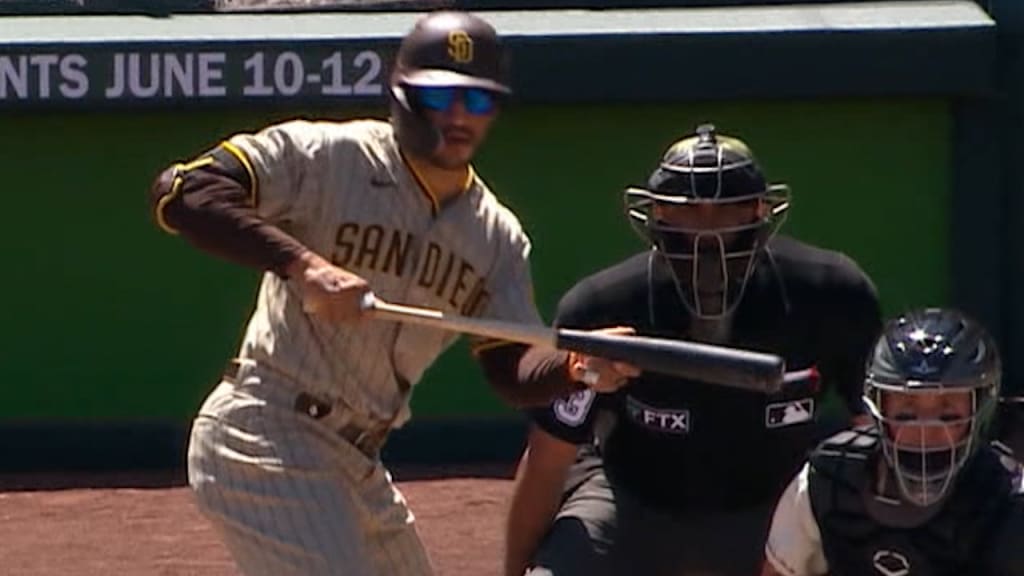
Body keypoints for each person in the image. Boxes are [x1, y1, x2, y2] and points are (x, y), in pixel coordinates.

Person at [148, 11, 604, 576]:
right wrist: (303, 265)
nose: (461, 115)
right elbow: (183, 192)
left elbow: (510, 367)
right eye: (442, 97)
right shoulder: (329, 156)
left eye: (479, 102)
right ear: (403, 94)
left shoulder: (496, 234)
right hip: (267, 428)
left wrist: (581, 366)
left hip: (358, 461)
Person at [504, 124, 883, 576]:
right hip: (632, 498)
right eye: (688, 214)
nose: (708, 235)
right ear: (657, 216)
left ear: (761, 212)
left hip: (776, 504)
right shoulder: (602, 309)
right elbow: (548, 460)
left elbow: (880, 437)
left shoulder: (831, 293)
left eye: (728, 213)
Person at [761, 308, 1024, 576]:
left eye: (948, 414)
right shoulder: (826, 481)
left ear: (979, 409)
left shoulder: (1009, 499)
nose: (925, 432)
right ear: (878, 408)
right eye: (906, 413)